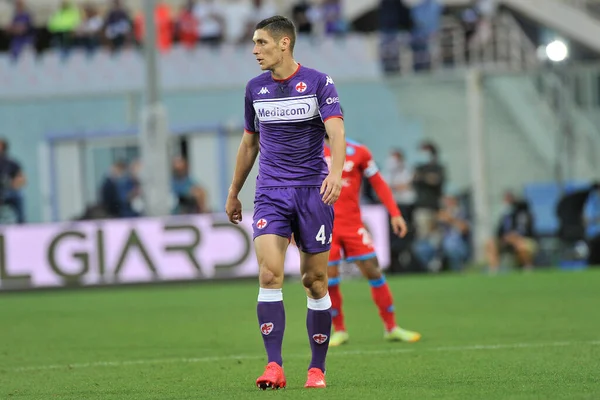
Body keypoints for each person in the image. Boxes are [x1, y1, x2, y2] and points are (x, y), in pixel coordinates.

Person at [225, 16, 346, 390]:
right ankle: (274, 366)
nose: (255, 50)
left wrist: (336, 173)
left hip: (312, 192)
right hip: (271, 193)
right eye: (254, 43)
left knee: (314, 281)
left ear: (284, 44)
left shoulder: (318, 82)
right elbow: (249, 144)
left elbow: (336, 131)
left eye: (261, 43)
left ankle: (317, 369)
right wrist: (234, 191)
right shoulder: (254, 88)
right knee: (269, 274)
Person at [323, 135, 421, 347]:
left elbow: (378, 182)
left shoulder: (359, 152)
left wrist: (395, 213)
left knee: (374, 271)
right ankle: (339, 330)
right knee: (328, 278)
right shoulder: (311, 151)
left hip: (353, 225)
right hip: (324, 225)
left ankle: (391, 328)